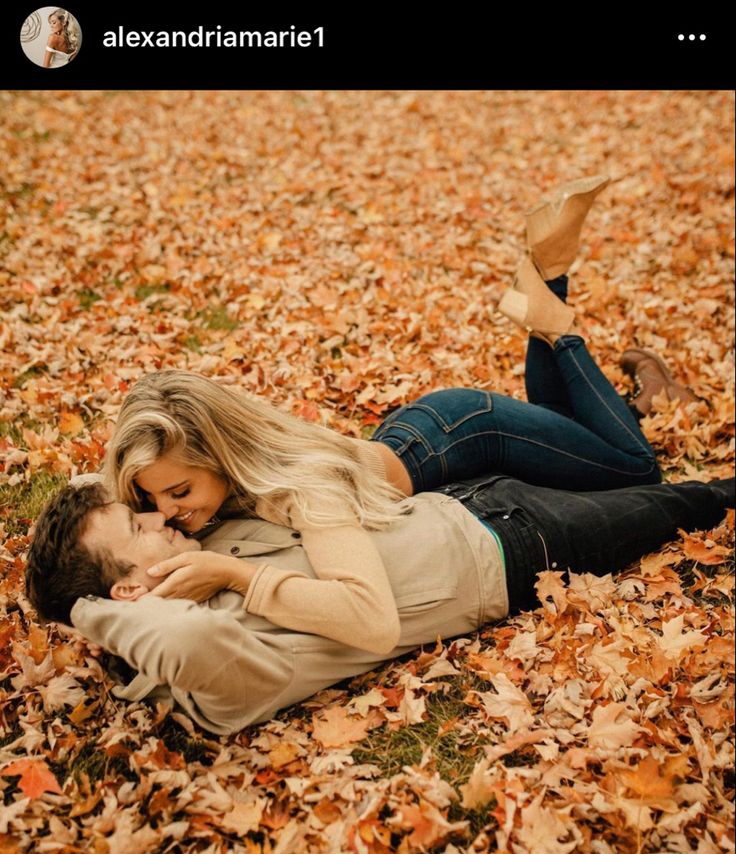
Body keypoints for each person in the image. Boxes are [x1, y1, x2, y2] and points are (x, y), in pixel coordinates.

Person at [101, 174, 699, 654]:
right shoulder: (213, 479)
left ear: (216, 455)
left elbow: (367, 614)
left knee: (634, 469)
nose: (167, 514)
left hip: (466, 434)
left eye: (176, 492)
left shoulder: (296, 486)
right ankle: (568, 315)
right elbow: (94, 515)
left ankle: (552, 314)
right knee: (567, 442)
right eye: (151, 504)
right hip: (421, 444)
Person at [24, 473, 734, 735]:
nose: (158, 518)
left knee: (636, 470)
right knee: (688, 502)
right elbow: (182, 644)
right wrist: (85, 614)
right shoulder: (215, 676)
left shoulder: (195, 549)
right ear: (124, 594)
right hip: (508, 553)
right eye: (139, 527)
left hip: (461, 497)